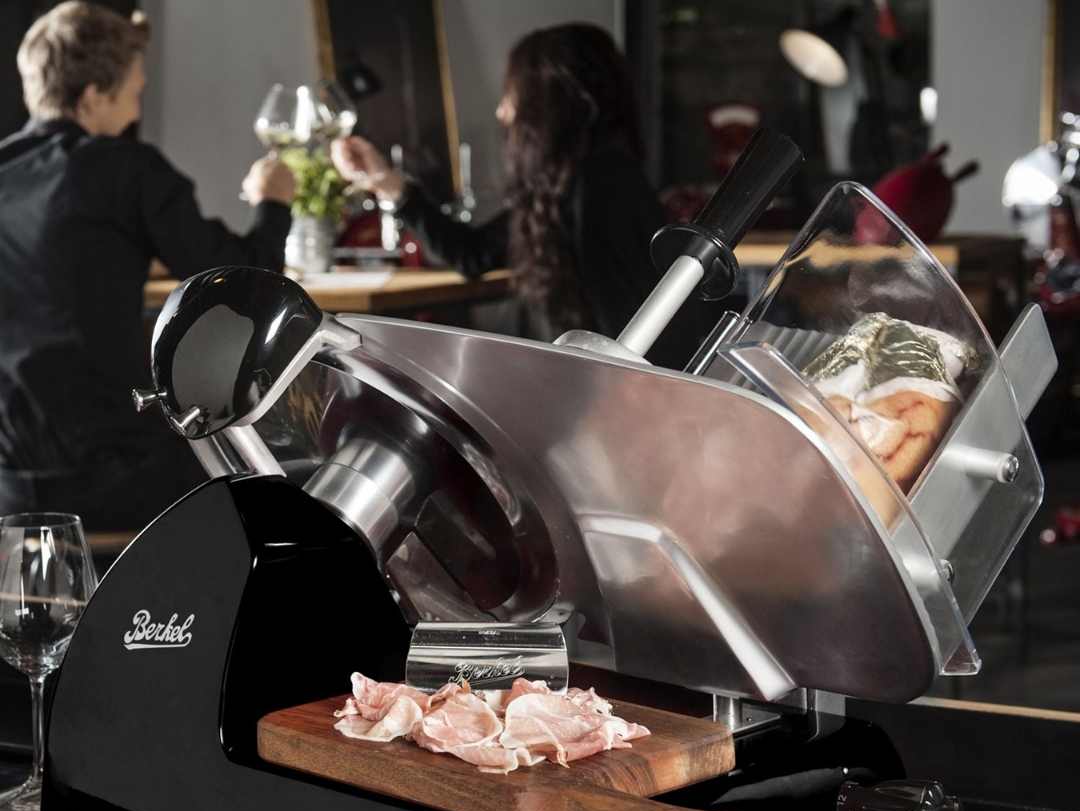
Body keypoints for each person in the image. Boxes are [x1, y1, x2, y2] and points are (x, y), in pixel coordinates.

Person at [0, 1, 296, 532]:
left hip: (9, 477)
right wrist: (273, 204)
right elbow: (246, 286)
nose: (136, 107)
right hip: (110, 473)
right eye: (134, 92)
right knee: (280, 469)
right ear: (94, 94)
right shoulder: (126, 169)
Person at [332, 22, 702, 361]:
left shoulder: (599, 185)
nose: (503, 112)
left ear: (550, 103)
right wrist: (384, 180)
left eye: (513, 94)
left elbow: (624, 337)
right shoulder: (567, 186)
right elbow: (472, 254)